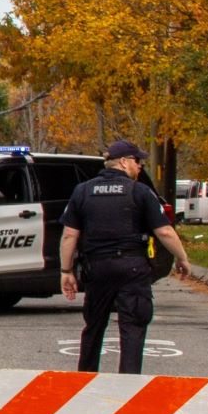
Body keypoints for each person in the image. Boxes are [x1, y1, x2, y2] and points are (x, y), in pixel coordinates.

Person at [58, 140, 192, 374]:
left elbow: (69, 235)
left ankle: (83, 381)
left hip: (97, 269)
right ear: (123, 162)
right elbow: (164, 231)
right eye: (137, 161)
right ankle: (128, 384)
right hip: (132, 268)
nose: (140, 166)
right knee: (133, 327)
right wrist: (182, 258)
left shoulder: (83, 191)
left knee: (94, 327)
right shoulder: (139, 192)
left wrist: (66, 271)